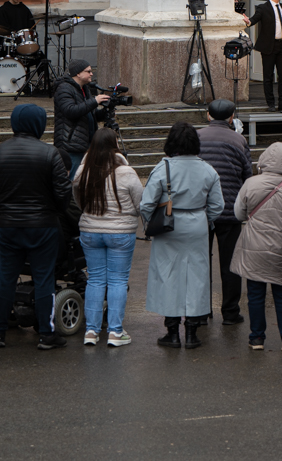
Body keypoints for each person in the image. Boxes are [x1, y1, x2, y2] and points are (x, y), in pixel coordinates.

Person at [0, 104, 72, 350]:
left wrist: (6, 206)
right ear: (39, 125)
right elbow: (64, 192)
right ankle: (46, 334)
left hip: (9, 225)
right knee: (44, 279)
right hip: (43, 226)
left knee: (5, 279)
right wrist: (52, 209)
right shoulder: (50, 154)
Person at [141, 122, 224, 349]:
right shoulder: (208, 169)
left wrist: (151, 223)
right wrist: (203, 220)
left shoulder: (163, 167)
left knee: (168, 275)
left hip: (169, 224)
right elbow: (217, 206)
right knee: (197, 276)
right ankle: (192, 331)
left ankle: (172, 331)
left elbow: (146, 204)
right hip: (197, 223)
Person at [73, 128, 143, 346]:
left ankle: (91, 332)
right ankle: (115, 332)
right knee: (118, 280)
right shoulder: (127, 172)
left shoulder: (82, 171)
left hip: (90, 230)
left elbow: (77, 199)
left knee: (95, 279)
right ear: (115, 146)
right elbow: (140, 202)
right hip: (120, 233)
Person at [231, 142, 282, 352]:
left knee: (255, 293)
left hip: (254, 245)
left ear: (264, 160)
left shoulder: (251, 183)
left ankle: (256, 338)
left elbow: (238, 214)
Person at [197, 98, 253, 326]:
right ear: (231, 118)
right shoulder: (238, 139)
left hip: (199, 211)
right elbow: (247, 176)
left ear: (208, 115)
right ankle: (230, 312)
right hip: (230, 210)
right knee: (230, 263)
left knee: (200, 262)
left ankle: (200, 312)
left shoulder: (196, 137)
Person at [53, 59, 110, 179]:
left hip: (86, 142)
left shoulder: (84, 89)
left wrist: (105, 112)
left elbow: (89, 114)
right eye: (88, 71)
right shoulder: (64, 88)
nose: (91, 74)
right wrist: (94, 101)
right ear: (78, 73)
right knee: (71, 179)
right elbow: (71, 111)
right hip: (71, 144)